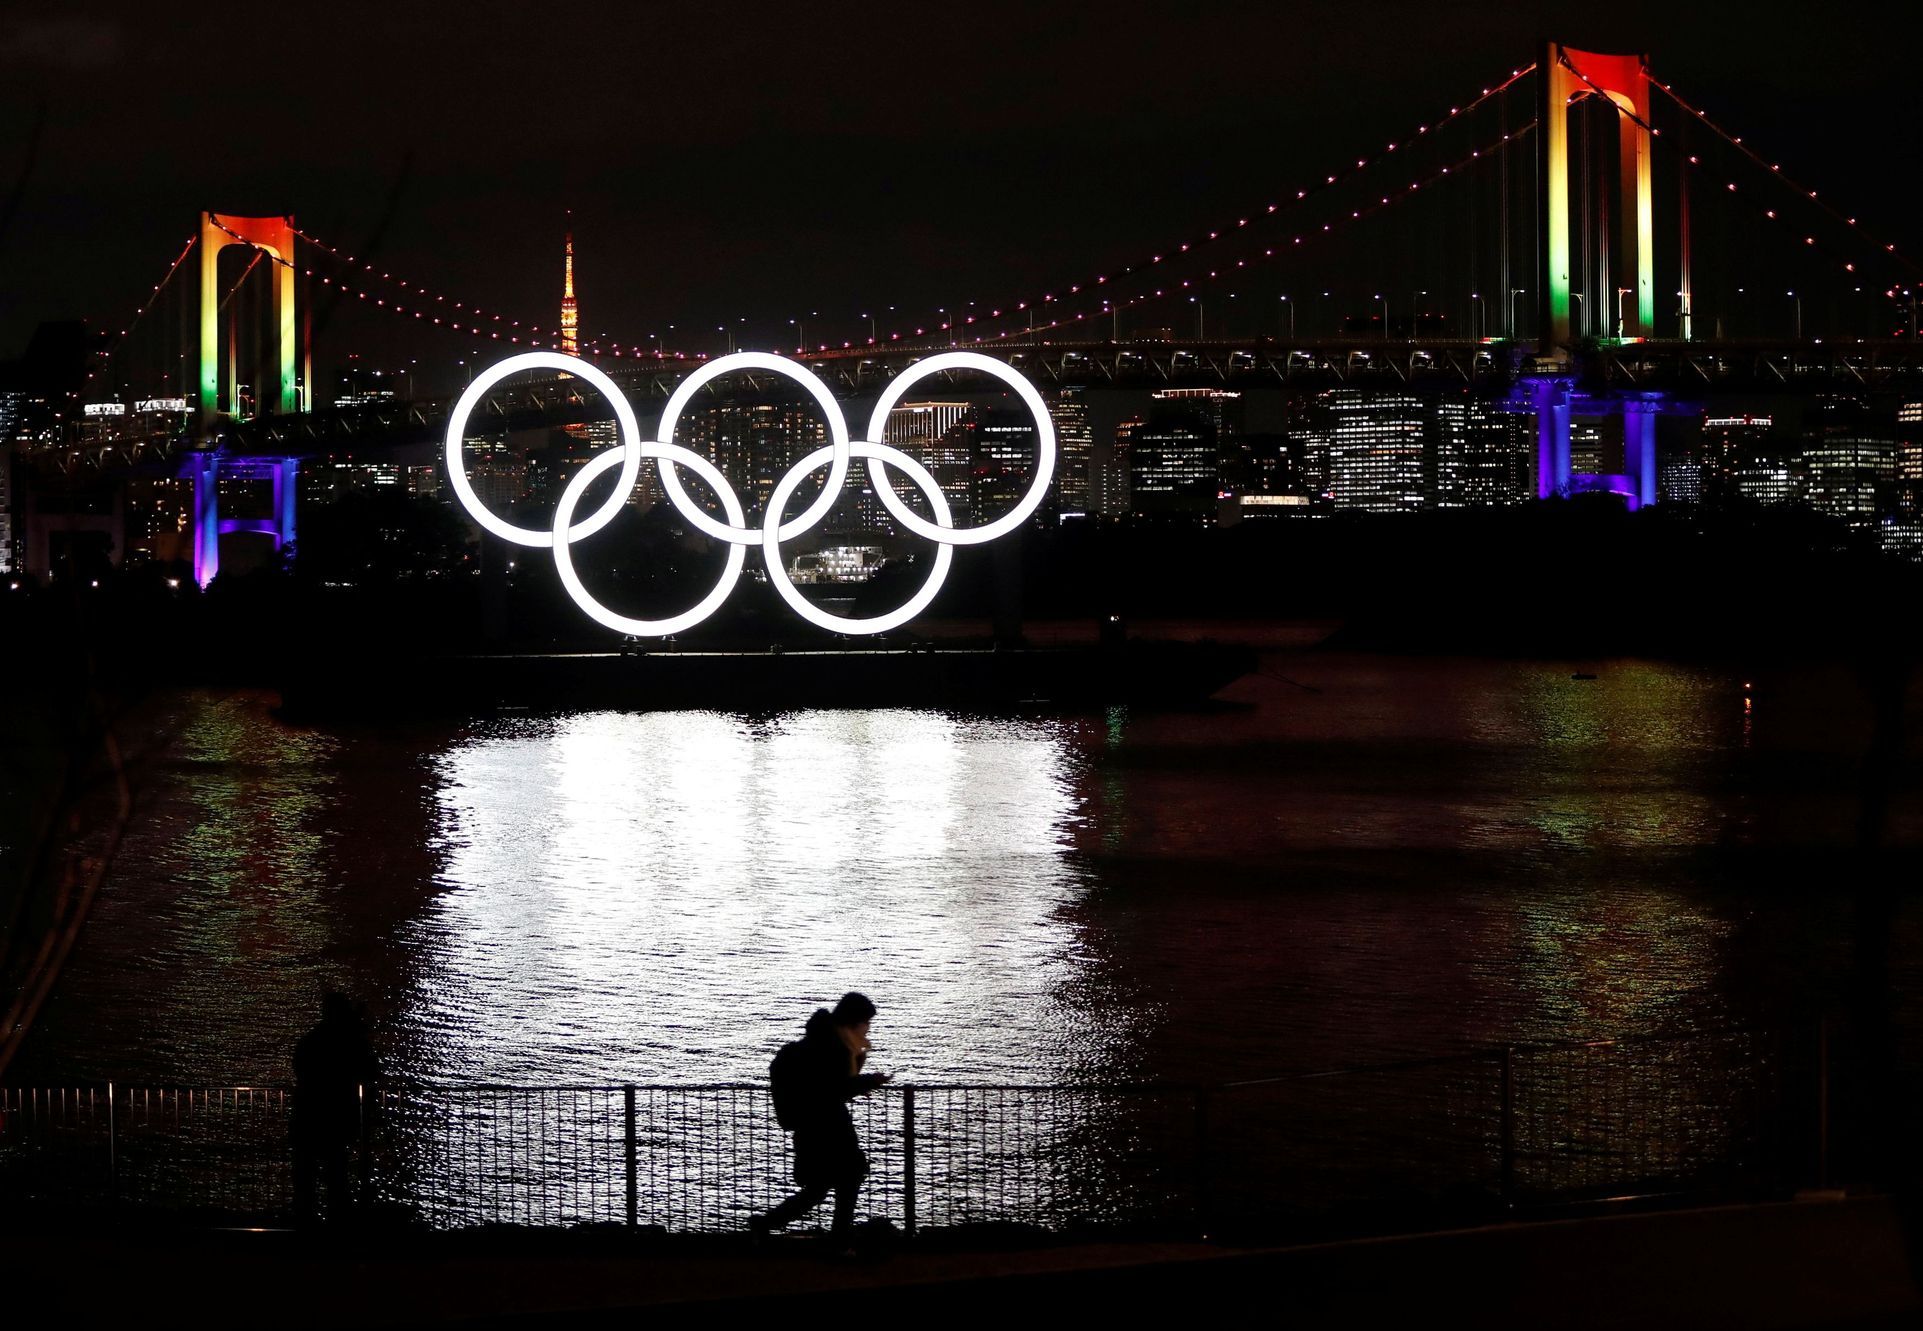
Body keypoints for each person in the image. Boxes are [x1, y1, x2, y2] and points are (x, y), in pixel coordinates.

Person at [752, 991, 890, 1248]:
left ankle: (766, 1225)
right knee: (846, 1178)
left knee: (820, 1187)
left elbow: (827, 1086)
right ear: (855, 1020)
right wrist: (867, 1080)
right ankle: (839, 1240)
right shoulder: (835, 1047)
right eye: (865, 1022)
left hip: (811, 1125)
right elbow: (833, 1087)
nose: (868, 1028)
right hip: (828, 1126)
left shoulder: (822, 1042)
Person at [292, 991, 379, 1226]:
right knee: (336, 1175)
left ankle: (304, 1225)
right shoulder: (349, 1044)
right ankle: (338, 1225)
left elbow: (299, 1069)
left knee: (305, 1178)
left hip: (308, 1115)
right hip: (337, 1118)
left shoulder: (309, 1042)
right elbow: (371, 1071)